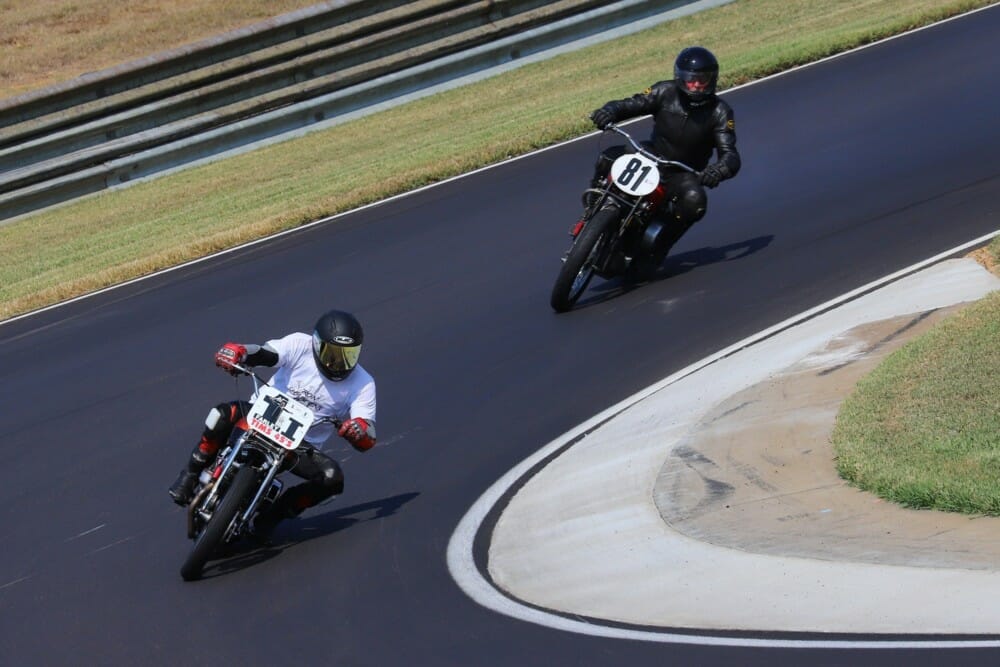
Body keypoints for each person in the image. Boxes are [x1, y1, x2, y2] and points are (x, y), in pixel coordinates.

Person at [168, 309, 377, 540]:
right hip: (258, 417)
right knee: (222, 414)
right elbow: (266, 353)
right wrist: (240, 352)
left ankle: (275, 515)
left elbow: (368, 431)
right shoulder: (299, 344)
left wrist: (358, 431)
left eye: (349, 355)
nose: (339, 363)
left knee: (332, 478)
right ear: (317, 344)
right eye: (332, 354)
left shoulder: (364, 383)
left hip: (298, 445)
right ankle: (189, 474)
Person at [587, 46, 741, 269]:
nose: (696, 85)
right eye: (691, 79)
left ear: (712, 80)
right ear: (680, 77)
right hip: (650, 155)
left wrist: (718, 170)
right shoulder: (664, 91)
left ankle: (656, 249)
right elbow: (630, 104)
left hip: (683, 173)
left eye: (703, 79)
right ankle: (593, 206)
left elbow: (730, 155)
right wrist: (608, 111)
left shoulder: (721, 112)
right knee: (608, 157)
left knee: (695, 201)